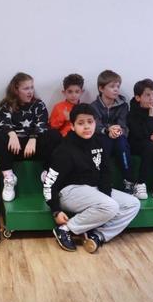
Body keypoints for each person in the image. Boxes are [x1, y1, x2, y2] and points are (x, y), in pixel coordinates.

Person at [44, 103, 140, 253]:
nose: (87, 127)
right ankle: (65, 229)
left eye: (90, 122)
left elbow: (105, 172)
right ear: (72, 126)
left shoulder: (100, 142)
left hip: (94, 189)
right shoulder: (64, 149)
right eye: (81, 123)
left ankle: (98, 235)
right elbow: (49, 183)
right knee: (111, 206)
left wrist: (106, 196)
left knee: (133, 203)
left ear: (95, 123)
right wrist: (55, 210)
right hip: (70, 192)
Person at [0, 72, 62, 202]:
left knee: (54, 134)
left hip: (34, 148)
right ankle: (9, 177)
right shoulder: (8, 106)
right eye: (26, 88)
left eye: (31, 87)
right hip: (15, 149)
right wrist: (12, 135)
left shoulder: (38, 105)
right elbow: (4, 123)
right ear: (16, 90)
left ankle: (47, 175)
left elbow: (42, 123)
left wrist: (33, 138)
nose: (30, 91)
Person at [90, 69, 133, 192]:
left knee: (121, 143)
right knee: (104, 143)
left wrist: (116, 131)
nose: (116, 89)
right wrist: (107, 130)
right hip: (103, 137)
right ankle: (104, 180)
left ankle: (128, 180)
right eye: (112, 86)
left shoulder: (123, 105)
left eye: (118, 86)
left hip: (119, 137)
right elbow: (95, 125)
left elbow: (123, 125)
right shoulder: (93, 106)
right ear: (101, 89)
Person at [127, 79, 153, 200]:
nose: (152, 98)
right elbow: (141, 134)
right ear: (138, 97)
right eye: (147, 95)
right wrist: (150, 116)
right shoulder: (132, 113)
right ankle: (140, 183)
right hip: (137, 143)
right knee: (149, 145)